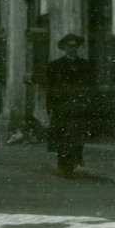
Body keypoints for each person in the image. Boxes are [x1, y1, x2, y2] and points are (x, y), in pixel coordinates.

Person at [45, 33, 96, 179]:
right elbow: (50, 88)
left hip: (80, 107)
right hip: (62, 107)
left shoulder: (86, 65)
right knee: (62, 137)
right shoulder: (54, 66)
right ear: (64, 48)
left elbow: (91, 87)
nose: (73, 49)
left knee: (77, 136)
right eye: (70, 46)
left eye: (75, 46)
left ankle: (73, 163)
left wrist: (89, 104)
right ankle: (64, 165)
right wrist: (50, 107)